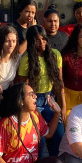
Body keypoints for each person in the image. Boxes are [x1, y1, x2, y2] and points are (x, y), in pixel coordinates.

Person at [16, 25, 65, 155]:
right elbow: (21, 86)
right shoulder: (26, 60)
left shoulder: (55, 54)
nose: (42, 43)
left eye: (44, 39)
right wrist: (31, 105)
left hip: (50, 99)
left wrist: (63, 107)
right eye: (38, 40)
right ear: (31, 42)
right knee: (39, 140)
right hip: (34, 100)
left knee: (59, 135)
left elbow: (60, 83)